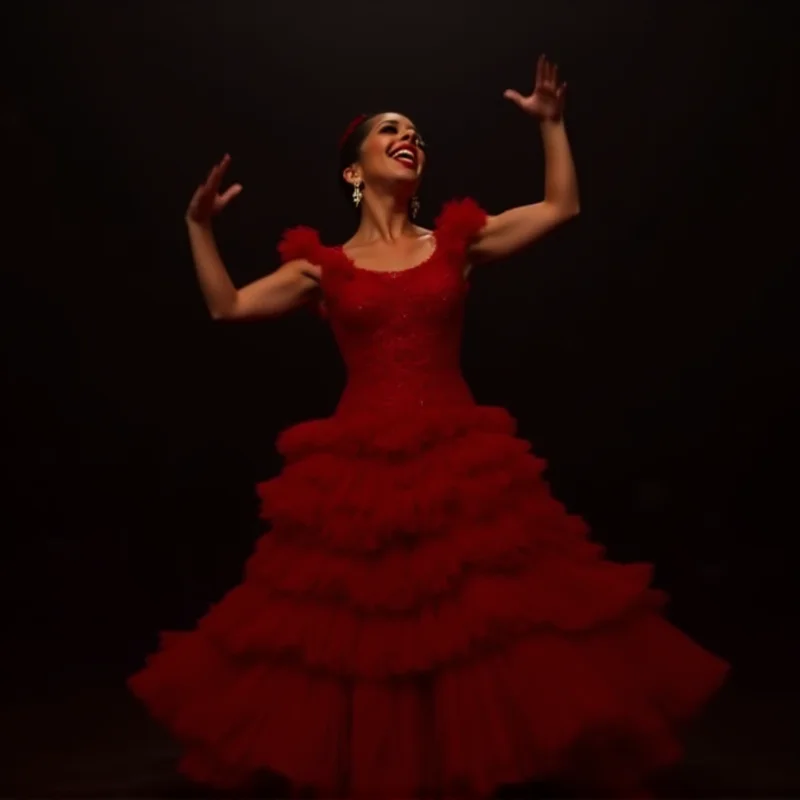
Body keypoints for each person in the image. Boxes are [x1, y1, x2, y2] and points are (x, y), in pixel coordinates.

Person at [129, 55, 728, 799]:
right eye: (390, 130)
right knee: (367, 621)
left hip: (456, 454)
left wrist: (552, 127)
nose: (408, 136)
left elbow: (559, 207)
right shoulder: (325, 266)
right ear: (355, 169)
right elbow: (229, 308)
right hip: (358, 462)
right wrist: (198, 228)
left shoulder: (455, 242)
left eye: (415, 131)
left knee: (472, 617)